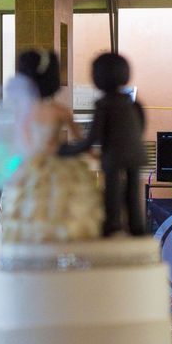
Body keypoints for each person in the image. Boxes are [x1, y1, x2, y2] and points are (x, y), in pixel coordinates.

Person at [0, 49, 102, 242]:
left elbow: (21, 142)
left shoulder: (22, 112)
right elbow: (81, 141)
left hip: (27, 166)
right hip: (57, 168)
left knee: (26, 209)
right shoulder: (60, 111)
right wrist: (93, 155)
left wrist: (13, 165)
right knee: (64, 210)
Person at [60, 52, 146, 236]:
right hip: (136, 152)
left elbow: (92, 138)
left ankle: (112, 225)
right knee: (132, 192)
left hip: (113, 155)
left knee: (112, 192)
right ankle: (137, 226)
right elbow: (141, 124)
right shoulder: (134, 103)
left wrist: (68, 150)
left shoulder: (103, 104)